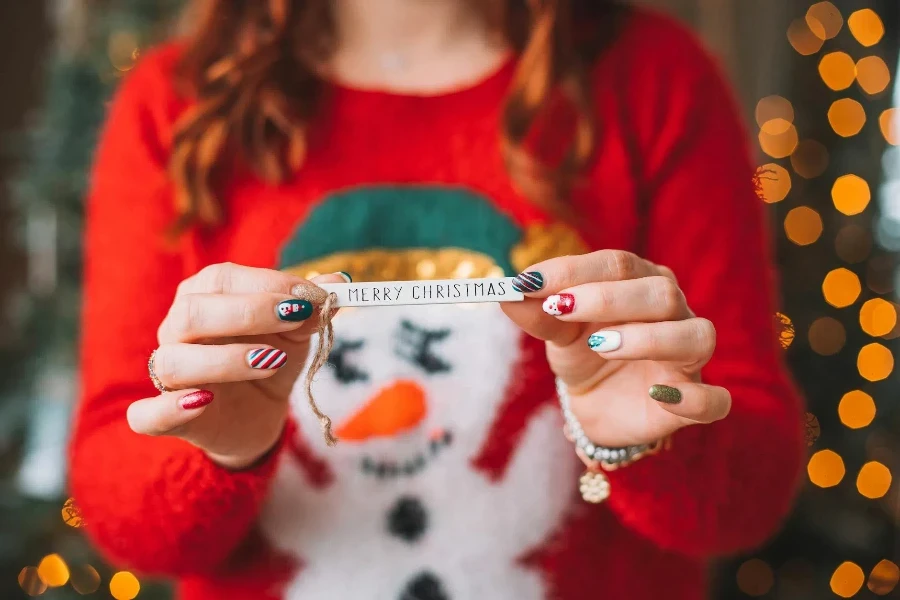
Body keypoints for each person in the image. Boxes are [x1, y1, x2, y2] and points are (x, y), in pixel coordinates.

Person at [69, 1, 806, 599]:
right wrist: (225, 452)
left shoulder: (655, 76)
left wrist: (640, 443)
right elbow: (127, 520)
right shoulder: (175, 104)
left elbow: (752, 499)